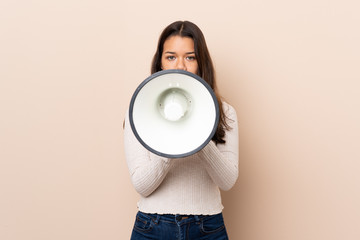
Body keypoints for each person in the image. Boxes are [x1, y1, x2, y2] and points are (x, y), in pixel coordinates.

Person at [124, 20, 239, 240]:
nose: (180, 66)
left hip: (207, 228)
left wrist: (199, 136)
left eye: (190, 57)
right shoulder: (139, 111)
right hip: (152, 227)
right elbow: (142, 185)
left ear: (200, 62)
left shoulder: (225, 112)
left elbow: (227, 181)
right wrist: (173, 144)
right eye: (171, 57)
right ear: (160, 63)